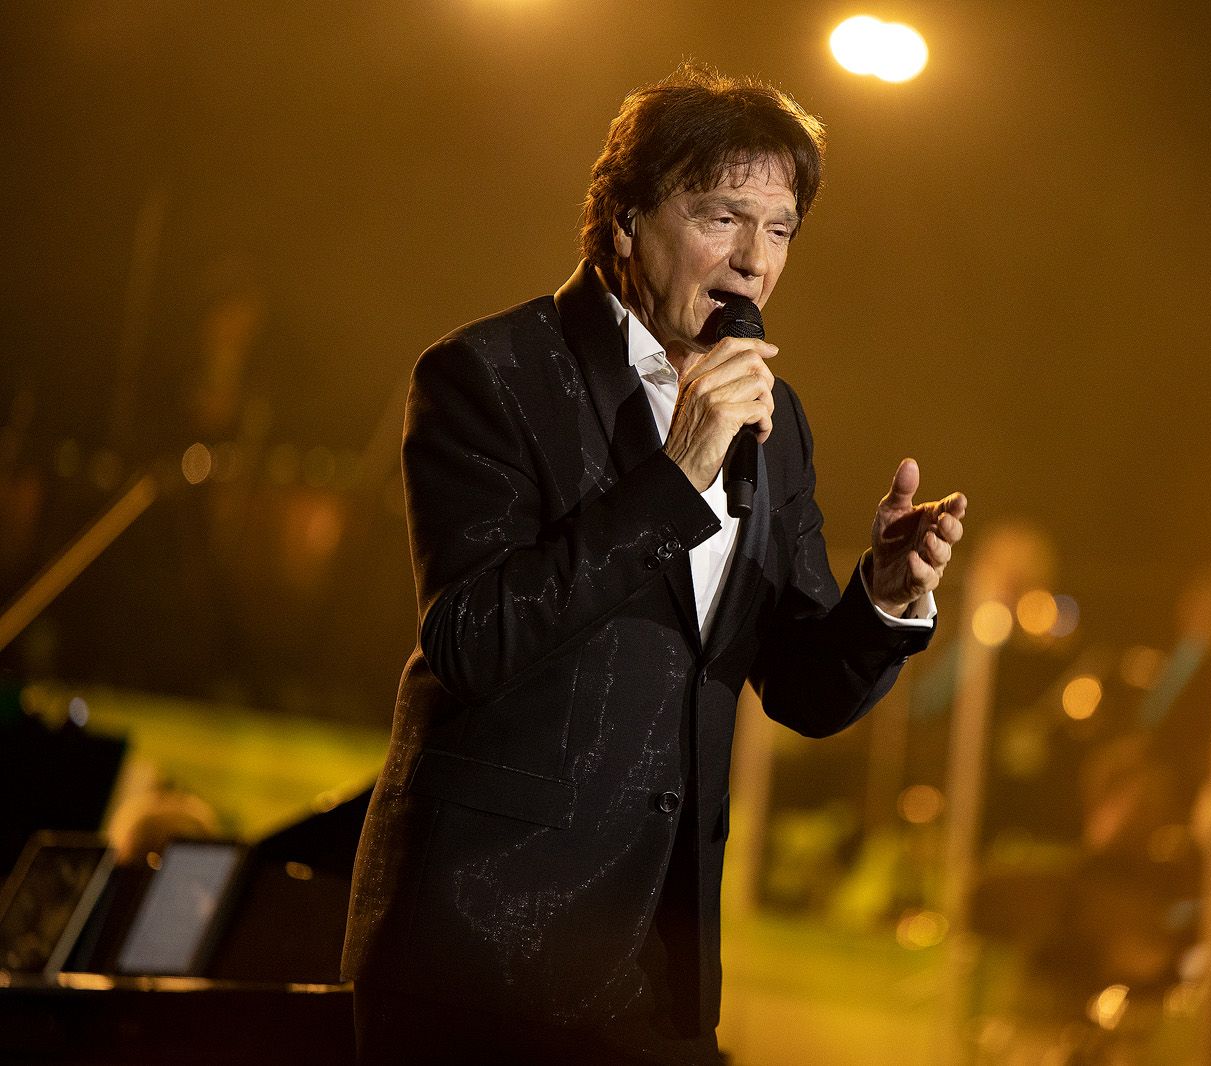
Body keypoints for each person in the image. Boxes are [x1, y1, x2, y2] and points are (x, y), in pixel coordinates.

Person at [342, 66, 967, 1064]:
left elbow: (802, 689)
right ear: (625, 219)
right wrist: (678, 475)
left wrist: (884, 602)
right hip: (481, 959)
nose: (754, 260)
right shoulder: (491, 374)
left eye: (779, 231)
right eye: (723, 218)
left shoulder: (774, 418)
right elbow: (469, 638)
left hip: (662, 975)